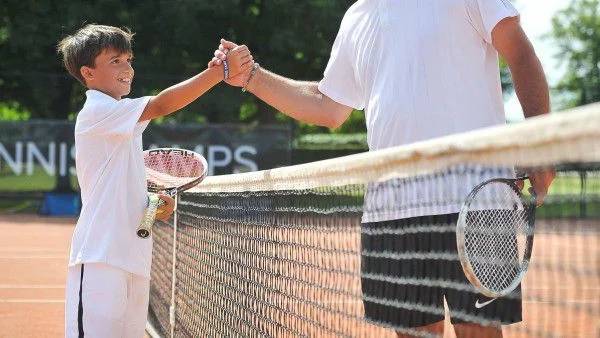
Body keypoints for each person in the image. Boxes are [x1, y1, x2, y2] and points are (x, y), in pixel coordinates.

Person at [211, 1, 555, 337]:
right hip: (390, 213)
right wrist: (251, 77)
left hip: (475, 203)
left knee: (479, 329)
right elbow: (328, 106)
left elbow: (520, 52)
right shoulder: (357, 16)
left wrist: (540, 143)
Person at [57, 24, 253, 337]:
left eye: (128, 59)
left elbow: (120, 186)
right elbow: (162, 104)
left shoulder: (122, 123)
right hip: (100, 261)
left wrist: (150, 203)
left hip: (134, 261)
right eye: (115, 61)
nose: (127, 68)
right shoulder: (98, 110)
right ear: (88, 73)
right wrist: (220, 72)